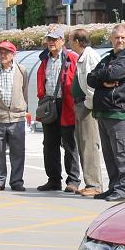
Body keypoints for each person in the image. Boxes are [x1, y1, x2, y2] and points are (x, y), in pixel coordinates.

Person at [87, 24, 125, 202]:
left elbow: (112, 74)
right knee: (109, 155)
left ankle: (122, 190)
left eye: (123, 37)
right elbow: (90, 78)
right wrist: (103, 80)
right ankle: (113, 187)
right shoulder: (107, 58)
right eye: (116, 37)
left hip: (119, 113)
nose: (120, 41)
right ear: (111, 39)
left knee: (122, 154)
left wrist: (103, 76)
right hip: (103, 113)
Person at [36, 27, 81, 193]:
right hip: (49, 104)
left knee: (70, 144)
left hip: (67, 104)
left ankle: (73, 180)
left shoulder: (72, 57)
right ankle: (54, 180)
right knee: (49, 144)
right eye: (49, 39)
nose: (51, 42)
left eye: (55, 39)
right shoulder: (44, 59)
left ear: (63, 41)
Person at [0, 41, 30, 192]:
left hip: (17, 117)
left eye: (6, 52)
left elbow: (24, 91)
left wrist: (21, 109)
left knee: (18, 151)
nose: (3, 55)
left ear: (13, 54)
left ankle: (16, 181)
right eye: (1, 52)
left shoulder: (21, 70)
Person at [69, 28, 105, 197]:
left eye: (71, 40)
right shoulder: (83, 56)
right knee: (83, 144)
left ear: (77, 41)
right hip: (81, 105)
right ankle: (89, 182)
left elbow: (93, 83)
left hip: (87, 106)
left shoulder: (90, 56)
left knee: (89, 144)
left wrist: (88, 104)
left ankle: (94, 184)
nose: (70, 44)